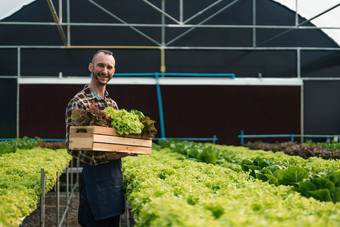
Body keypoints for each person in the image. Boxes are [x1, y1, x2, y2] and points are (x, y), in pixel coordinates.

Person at [65, 50, 128, 227]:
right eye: (101, 65)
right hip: (94, 181)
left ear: (114, 71)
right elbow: (73, 146)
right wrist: (107, 156)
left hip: (114, 180)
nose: (104, 71)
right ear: (91, 67)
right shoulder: (79, 102)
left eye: (109, 67)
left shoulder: (113, 105)